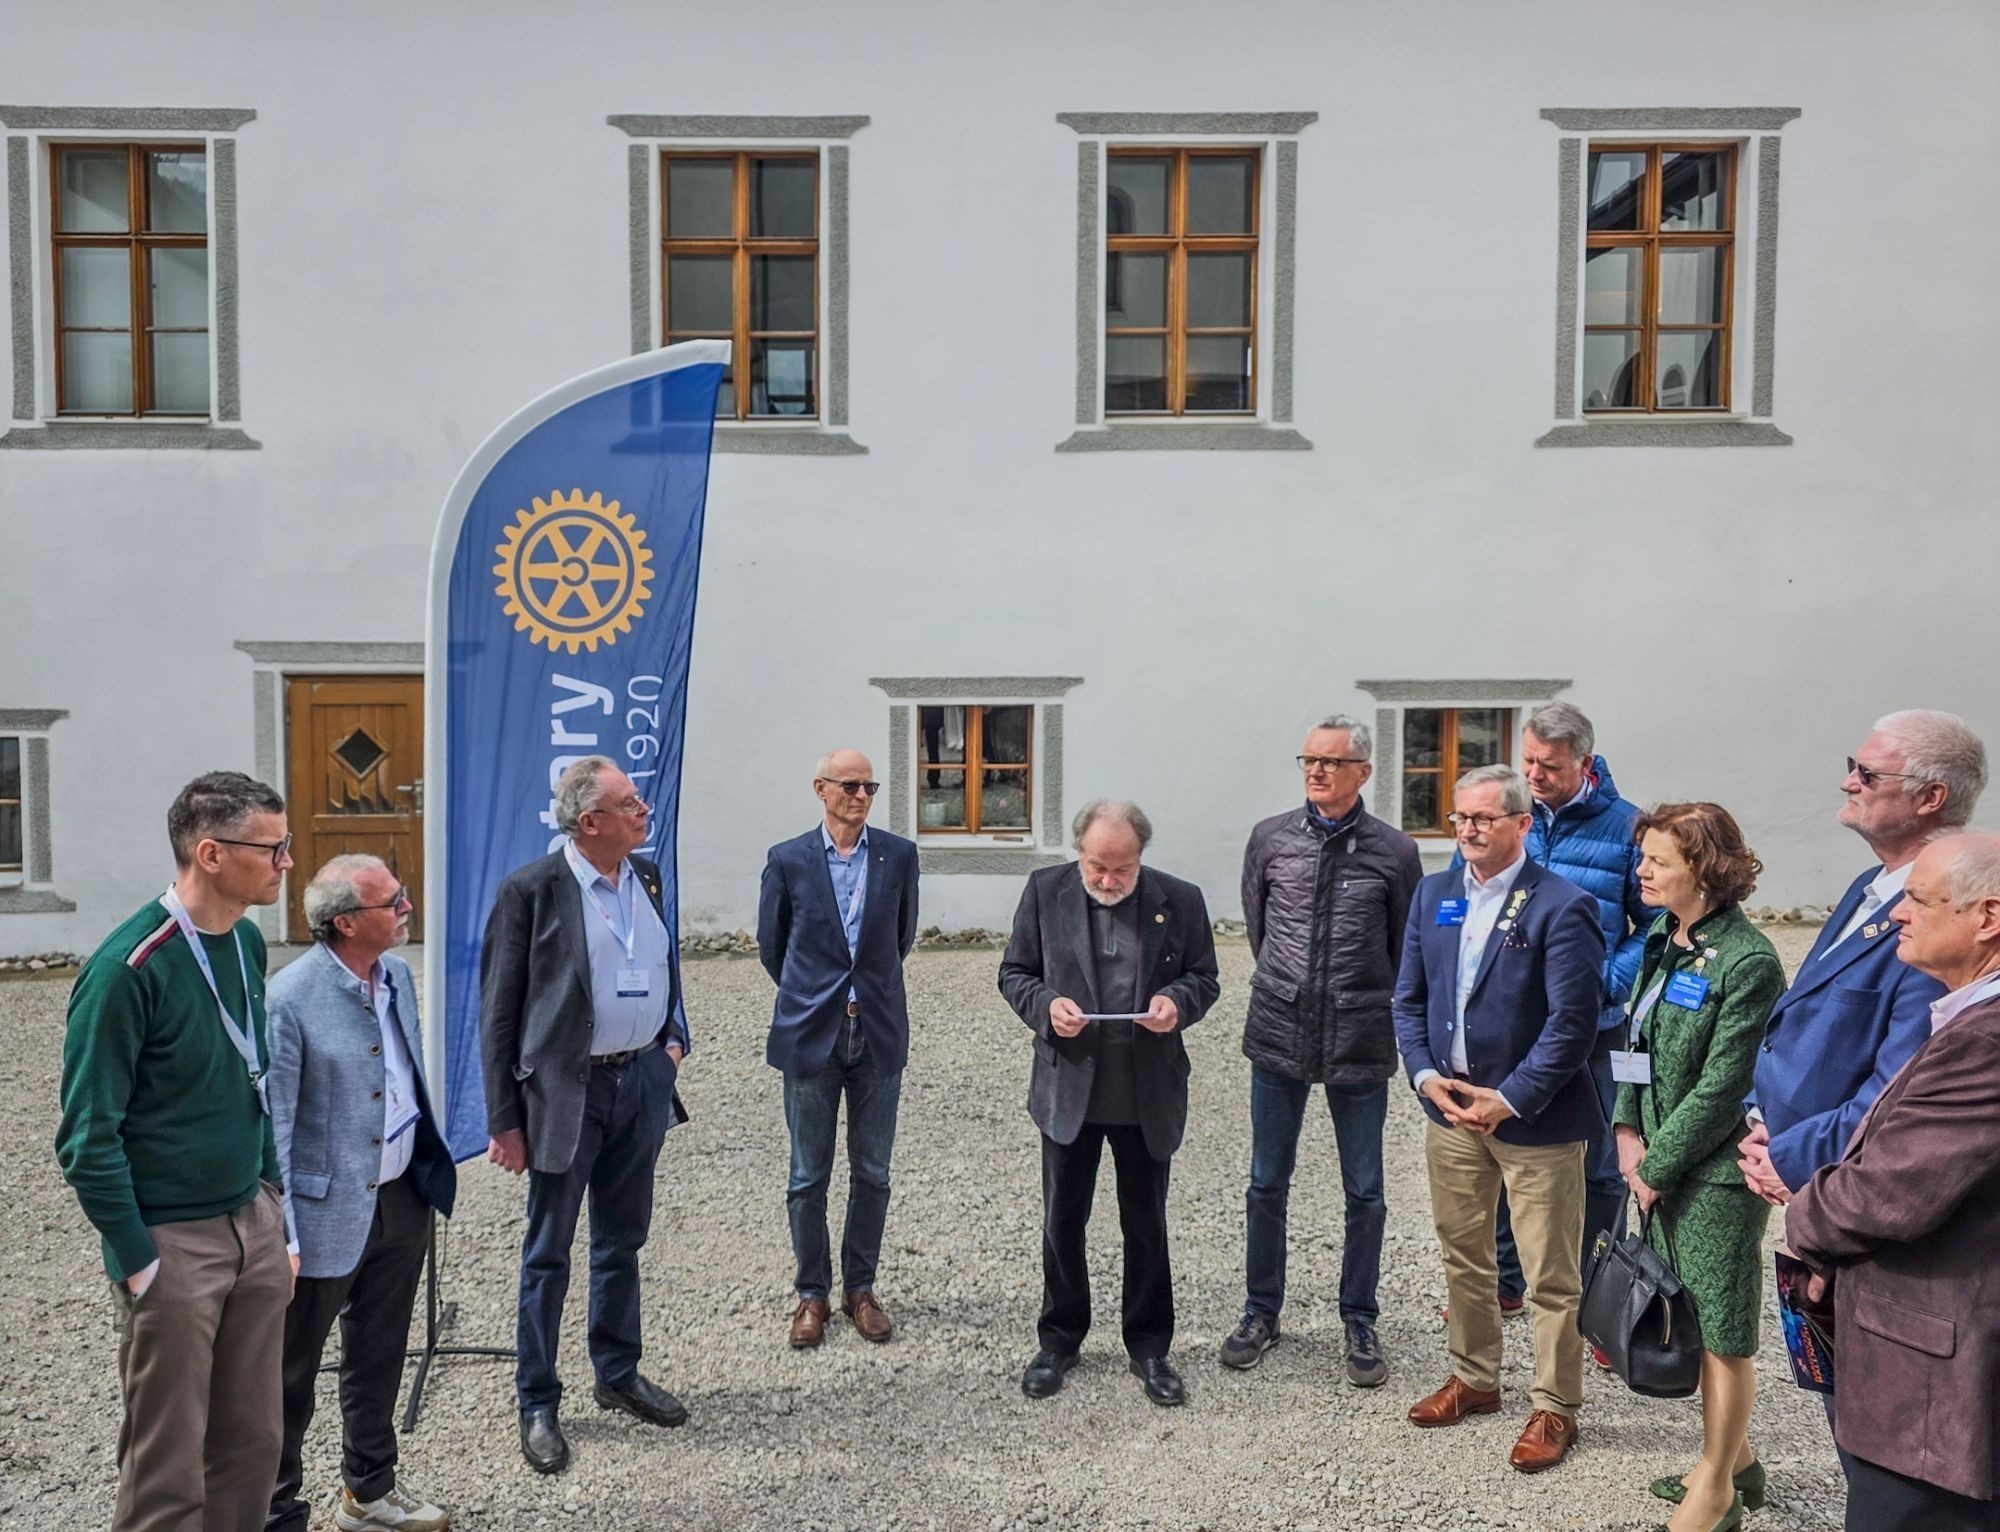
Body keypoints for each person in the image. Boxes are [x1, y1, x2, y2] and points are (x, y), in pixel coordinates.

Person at [55, 771, 296, 1531]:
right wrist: (138, 1259)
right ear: (211, 854)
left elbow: (252, 1080)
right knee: (167, 1463)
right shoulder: (126, 970)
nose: (288, 862)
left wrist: (273, 1204)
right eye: (273, 848)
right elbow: (86, 1137)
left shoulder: (246, 941)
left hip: (251, 1223)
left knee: (253, 1444)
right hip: (172, 1243)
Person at [481, 755, 691, 1474]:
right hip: (566, 1094)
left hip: (640, 1083)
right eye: (630, 804)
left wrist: (672, 1041)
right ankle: (538, 1399)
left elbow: (660, 963)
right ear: (590, 821)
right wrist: (504, 1120)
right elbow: (498, 1013)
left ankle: (617, 1371)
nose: (644, 811)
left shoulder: (647, 875)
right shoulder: (531, 890)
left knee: (623, 1239)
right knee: (549, 1251)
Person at [1391, 764, 1603, 1473]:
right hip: (1451, 1111)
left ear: (1521, 824)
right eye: (1460, 818)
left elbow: (1573, 1025)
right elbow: (1409, 999)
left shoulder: (1563, 905)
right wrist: (1427, 1078)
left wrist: (1509, 1097)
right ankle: (1475, 1378)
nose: (1469, 830)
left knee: (1549, 1274)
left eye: (1484, 818)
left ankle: (1555, 1406)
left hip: (1533, 1118)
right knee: (1465, 1254)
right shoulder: (1435, 894)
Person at [1787, 833, 2000, 1532]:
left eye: (1918, 900)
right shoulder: (1968, 1017)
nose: (1897, 915)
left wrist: (1804, 1208)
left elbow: (1886, 1194)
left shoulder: (1986, 1041)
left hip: (1934, 1392)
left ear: (1988, 918)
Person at [999, 800, 1220, 1407]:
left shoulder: (1181, 899)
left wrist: (1178, 1004)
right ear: (1079, 852)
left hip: (1145, 1092)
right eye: (1097, 866)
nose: (1108, 880)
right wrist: (1047, 1007)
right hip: (1069, 1087)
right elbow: (1014, 972)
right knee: (1062, 1221)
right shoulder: (1045, 891)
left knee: (1145, 1224)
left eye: (1122, 869)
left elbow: (1205, 977)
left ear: (1141, 856)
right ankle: (1059, 1340)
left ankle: (1149, 1347)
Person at [1222, 715, 1421, 1386]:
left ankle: (1359, 1317)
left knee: (1365, 1190)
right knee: (1265, 1182)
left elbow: (1403, 947)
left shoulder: (1394, 851)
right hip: (1279, 1032)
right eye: (1309, 759)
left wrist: (1358, 996)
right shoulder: (1270, 838)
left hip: (1359, 1035)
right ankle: (1261, 1311)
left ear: (1363, 771)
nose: (1317, 770)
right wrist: (1293, 988)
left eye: (1332, 761)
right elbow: (1260, 930)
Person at [265, 855, 456, 1532]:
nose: (407, 906)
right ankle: (275, 1511)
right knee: (289, 1373)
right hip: (323, 1214)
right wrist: (286, 1233)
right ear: (345, 922)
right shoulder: (289, 999)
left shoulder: (395, 973)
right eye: (392, 901)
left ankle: (368, 1492)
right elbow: (275, 1126)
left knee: (379, 1351)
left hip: (401, 1195)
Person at [1611, 805, 1786, 1532]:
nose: (1642, 872)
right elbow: (1636, 1040)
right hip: (1657, 1161)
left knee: (1722, 1333)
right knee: (1693, 1311)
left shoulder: (1748, 962)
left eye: (1658, 861)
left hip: (1713, 1178)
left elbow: (1723, 1087)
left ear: (1705, 869)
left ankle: (1715, 1492)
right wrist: (1626, 1127)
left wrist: (1657, 1165)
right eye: (1643, 858)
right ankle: (1737, 1461)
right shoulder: (1663, 935)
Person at [1741, 711, 1987, 1206]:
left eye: (1868, 774)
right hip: (1798, 1158)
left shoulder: (1941, 922)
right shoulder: (1868, 886)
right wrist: (1762, 1118)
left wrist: (1791, 1157)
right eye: (1852, 765)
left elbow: (1897, 1086)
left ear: (1931, 797)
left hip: (1849, 1183)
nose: (1848, 782)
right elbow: (1802, 1019)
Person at [1487, 703, 1647, 1316]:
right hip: (1513, 1024)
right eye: (1527, 760)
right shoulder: (1508, 815)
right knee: (1506, 1148)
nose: (1533, 774)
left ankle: (1596, 1301)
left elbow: (1655, 923)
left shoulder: (1628, 829)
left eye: (1548, 765)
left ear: (1585, 762)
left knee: (1603, 1166)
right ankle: (1507, 1282)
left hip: (1596, 1027)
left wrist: (1608, 980)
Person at [757, 747, 920, 1348]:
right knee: (807, 1175)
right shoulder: (788, 860)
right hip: (811, 1033)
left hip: (876, 1030)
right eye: (849, 785)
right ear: (820, 788)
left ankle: (861, 1289)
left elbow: (901, 937)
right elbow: (772, 946)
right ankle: (811, 1294)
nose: (860, 796)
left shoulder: (898, 855)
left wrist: (864, 991)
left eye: (869, 787)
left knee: (873, 1172)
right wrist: (815, 995)